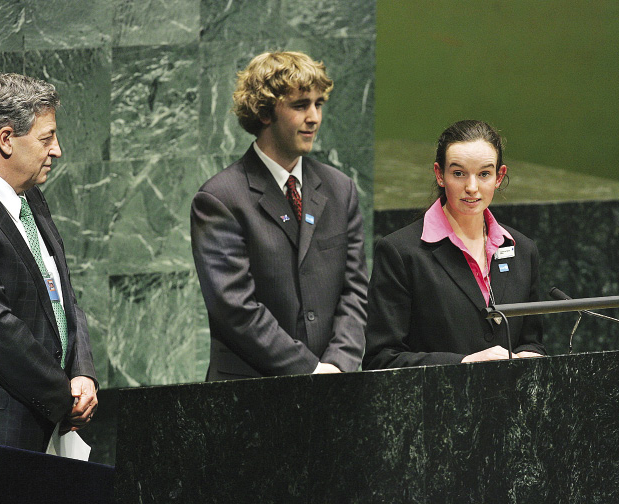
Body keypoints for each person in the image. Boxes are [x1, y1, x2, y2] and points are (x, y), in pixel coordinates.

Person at [191, 51, 368, 380]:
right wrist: (311, 369)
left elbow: (354, 292)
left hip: (333, 386)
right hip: (250, 394)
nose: (314, 117)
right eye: (301, 106)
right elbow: (235, 310)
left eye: (319, 104)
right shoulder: (219, 198)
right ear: (265, 112)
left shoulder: (340, 189)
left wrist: (338, 366)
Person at [363, 120, 546, 369]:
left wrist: (531, 357)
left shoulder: (523, 250)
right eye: (459, 173)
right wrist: (463, 363)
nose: (471, 187)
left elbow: (531, 342)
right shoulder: (400, 252)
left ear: (499, 176)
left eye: (484, 174)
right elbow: (381, 360)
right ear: (440, 174)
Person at [0, 72, 97, 452]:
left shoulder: (33, 198)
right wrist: (64, 396)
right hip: (0, 430)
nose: (57, 150)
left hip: (50, 420)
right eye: (46, 138)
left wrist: (82, 372)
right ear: (6, 139)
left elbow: (63, 297)